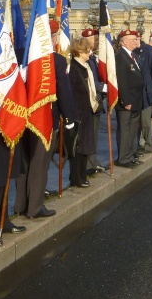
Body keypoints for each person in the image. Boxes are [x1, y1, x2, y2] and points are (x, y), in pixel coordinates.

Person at [15, 20, 76, 214]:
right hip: (45, 119)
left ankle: (20, 205)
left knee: (24, 161)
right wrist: (70, 118)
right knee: (39, 163)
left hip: (21, 117)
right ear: (54, 36)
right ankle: (34, 207)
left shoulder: (20, 55)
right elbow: (64, 92)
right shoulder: (55, 60)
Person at [69, 37, 102, 186]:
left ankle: (82, 175)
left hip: (87, 110)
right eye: (87, 50)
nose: (90, 53)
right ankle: (76, 177)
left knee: (85, 146)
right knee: (78, 147)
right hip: (78, 113)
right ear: (80, 51)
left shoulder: (86, 66)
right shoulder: (74, 68)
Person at [114, 30, 144, 168]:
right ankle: (123, 158)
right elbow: (122, 81)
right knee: (125, 130)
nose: (135, 42)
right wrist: (125, 101)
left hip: (136, 99)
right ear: (124, 41)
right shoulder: (120, 56)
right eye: (132, 39)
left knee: (133, 130)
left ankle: (131, 155)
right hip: (127, 101)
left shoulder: (133, 55)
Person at [80, 28, 107, 176]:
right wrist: (104, 87)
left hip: (97, 101)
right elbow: (89, 81)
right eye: (94, 39)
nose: (97, 41)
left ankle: (92, 161)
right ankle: (88, 164)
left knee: (94, 135)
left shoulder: (94, 58)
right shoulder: (84, 59)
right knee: (89, 135)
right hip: (90, 102)